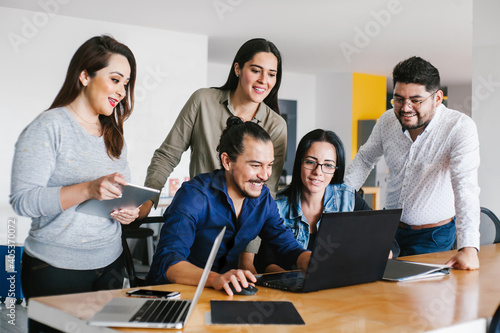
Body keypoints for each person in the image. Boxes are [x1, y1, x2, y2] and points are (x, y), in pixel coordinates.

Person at [10, 35, 139, 301]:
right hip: (55, 269)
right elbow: (23, 201)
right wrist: (88, 189)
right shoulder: (49, 127)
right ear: (84, 76)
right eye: (115, 80)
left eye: (125, 84)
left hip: (110, 263)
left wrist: (127, 211)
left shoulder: (114, 135)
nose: (122, 91)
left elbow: (116, 195)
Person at [146, 117, 311, 295]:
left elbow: (287, 248)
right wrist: (215, 278)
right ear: (227, 162)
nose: (265, 175)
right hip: (172, 296)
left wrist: (312, 261)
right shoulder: (194, 195)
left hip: (222, 294)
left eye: (269, 165)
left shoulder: (263, 199)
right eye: (255, 165)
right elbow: (168, 260)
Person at [344, 56, 480, 270]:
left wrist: (469, 247)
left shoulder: (459, 128)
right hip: (388, 231)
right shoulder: (387, 120)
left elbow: (465, 187)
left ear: (437, 98)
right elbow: (364, 158)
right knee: (379, 294)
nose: (405, 108)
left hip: (433, 236)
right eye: (398, 99)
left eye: (416, 100)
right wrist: (339, 200)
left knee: (418, 299)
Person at [139, 38, 287, 220]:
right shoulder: (202, 101)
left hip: (241, 227)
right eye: (256, 70)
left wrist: (250, 245)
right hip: (198, 218)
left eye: (272, 74)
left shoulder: (276, 125)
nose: (264, 80)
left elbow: (268, 190)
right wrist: (147, 201)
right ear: (238, 69)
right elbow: (167, 156)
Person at [254, 129, 399, 273]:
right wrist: (294, 280)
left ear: (336, 169)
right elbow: (265, 262)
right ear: (299, 162)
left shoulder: (348, 199)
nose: (318, 172)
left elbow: (390, 244)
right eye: (311, 162)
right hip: (290, 289)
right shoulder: (277, 204)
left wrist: (375, 255)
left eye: (328, 165)